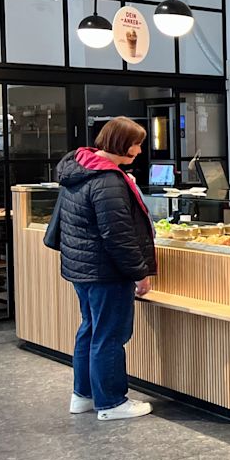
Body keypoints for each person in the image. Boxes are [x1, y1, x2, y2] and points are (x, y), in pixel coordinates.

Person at [52, 116, 157, 421]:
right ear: (121, 144)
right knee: (110, 336)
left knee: (90, 329)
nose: (139, 151)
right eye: (136, 144)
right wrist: (139, 273)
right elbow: (118, 236)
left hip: (83, 268)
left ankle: (83, 396)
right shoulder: (108, 180)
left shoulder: (80, 167)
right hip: (106, 271)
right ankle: (111, 403)